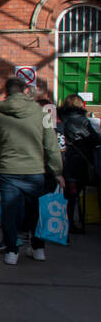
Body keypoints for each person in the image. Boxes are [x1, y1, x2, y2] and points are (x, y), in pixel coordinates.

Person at [0, 77, 64, 263]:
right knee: (35, 210)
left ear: (6, 92)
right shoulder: (43, 115)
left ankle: (11, 252)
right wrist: (57, 171)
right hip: (35, 171)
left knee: (9, 211)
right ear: (25, 91)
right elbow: (51, 145)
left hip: (8, 170)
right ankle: (38, 248)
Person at [57, 93, 100, 233]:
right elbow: (94, 139)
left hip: (62, 158)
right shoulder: (83, 121)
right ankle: (71, 223)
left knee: (67, 193)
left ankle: (63, 220)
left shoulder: (59, 118)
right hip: (77, 161)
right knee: (74, 194)